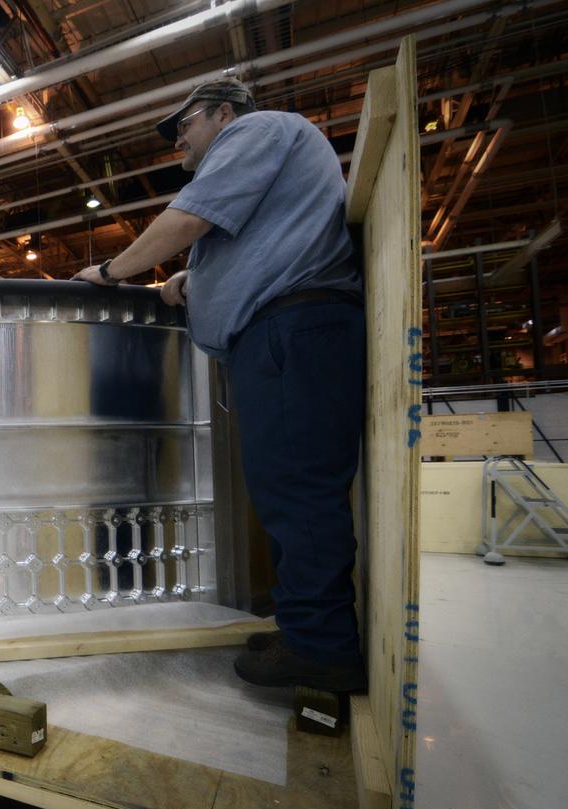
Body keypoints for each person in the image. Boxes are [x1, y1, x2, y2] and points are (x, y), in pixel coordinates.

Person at [73, 79, 366, 692]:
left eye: (186, 123)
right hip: (286, 330)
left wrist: (109, 271)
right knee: (288, 489)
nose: (178, 137)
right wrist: (195, 279)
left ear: (224, 113)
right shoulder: (275, 151)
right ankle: (306, 630)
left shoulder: (256, 131)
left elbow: (188, 217)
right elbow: (253, 239)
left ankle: (323, 649)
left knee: (297, 491)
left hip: (290, 327)